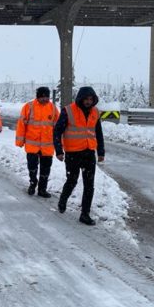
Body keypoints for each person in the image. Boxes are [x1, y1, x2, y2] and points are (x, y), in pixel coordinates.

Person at [53, 87, 105, 226]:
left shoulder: (95, 112)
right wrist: (58, 150)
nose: (88, 102)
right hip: (73, 153)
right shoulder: (68, 110)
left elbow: (98, 133)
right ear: (80, 98)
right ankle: (63, 200)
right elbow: (57, 131)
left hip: (89, 152)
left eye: (91, 99)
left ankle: (85, 214)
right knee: (72, 180)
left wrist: (101, 152)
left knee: (89, 185)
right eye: (86, 99)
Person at [15, 87, 59, 197]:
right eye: (42, 96)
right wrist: (20, 141)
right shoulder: (28, 107)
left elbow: (58, 128)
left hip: (47, 146)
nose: (45, 99)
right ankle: (33, 183)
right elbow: (21, 124)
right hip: (32, 145)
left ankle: (42, 189)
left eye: (46, 96)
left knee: (45, 169)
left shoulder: (53, 109)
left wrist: (59, 144)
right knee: (32, 167)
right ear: (38, 96)